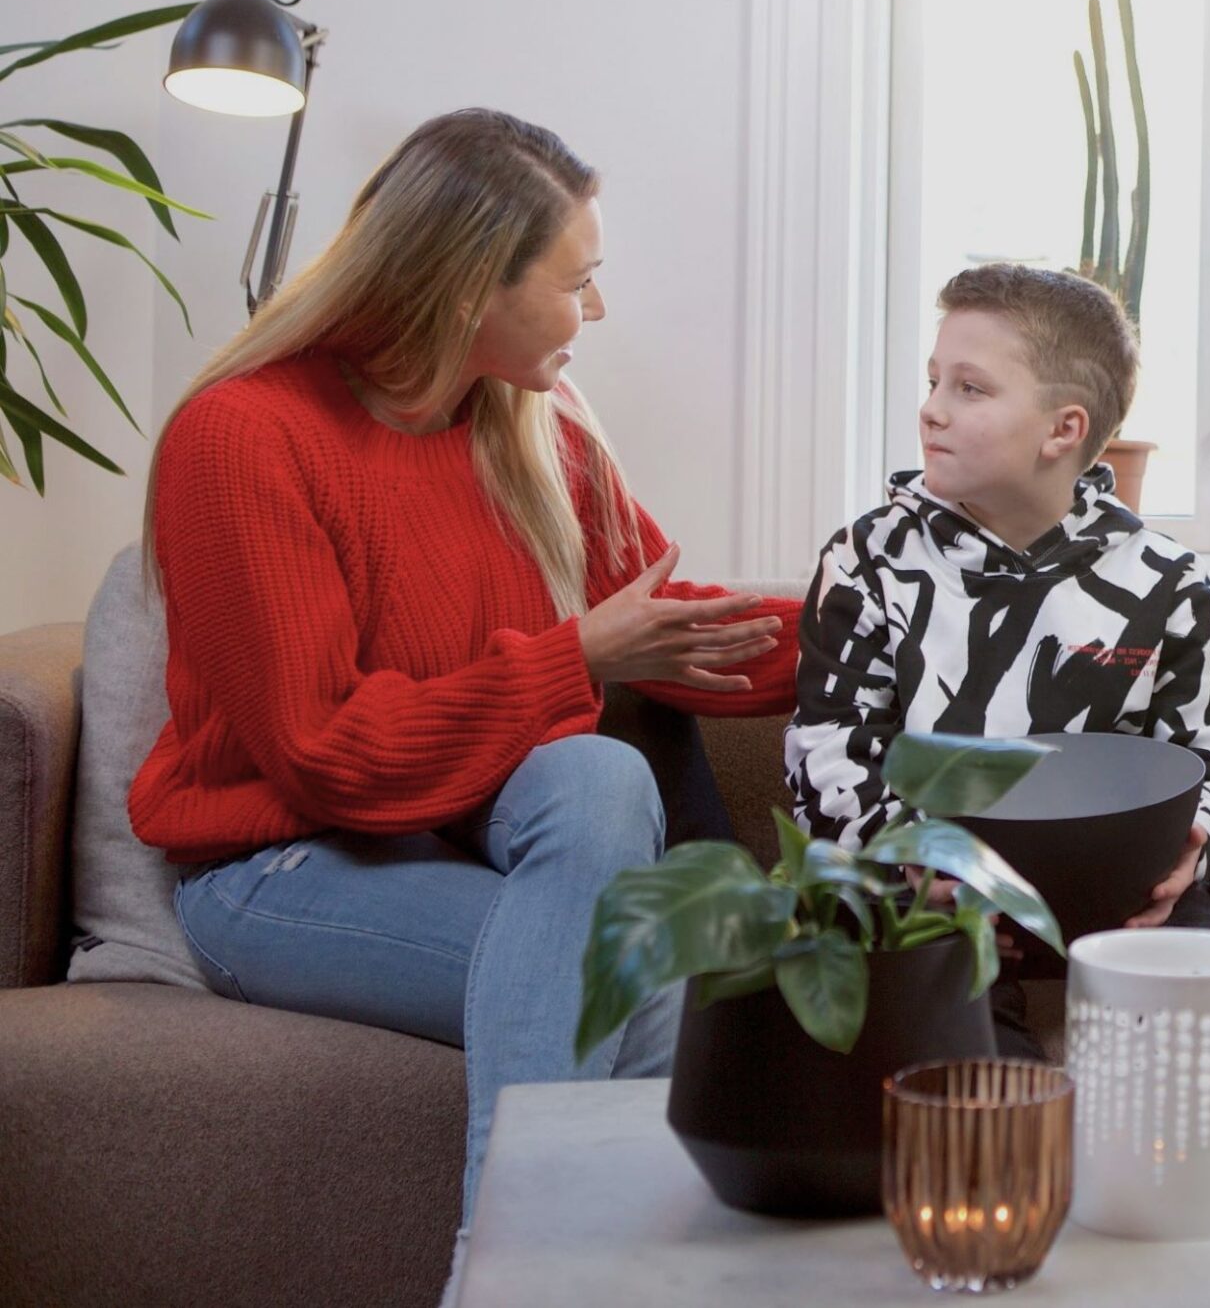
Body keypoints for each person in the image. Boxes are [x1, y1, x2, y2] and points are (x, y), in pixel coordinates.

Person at [132, 109, 800, 1230]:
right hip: (280, 866)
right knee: (671, 992)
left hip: (473, 837)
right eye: (576, 281)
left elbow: (667, 629)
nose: (598, 310)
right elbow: (323, 753)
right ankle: (529, 1266)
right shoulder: (241, 435)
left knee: (600, 778)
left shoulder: (532, 423)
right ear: (466, 289)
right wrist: (572, 659)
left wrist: (871, 617)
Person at [781, 264, 1210, 1054]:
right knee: (957, 1031)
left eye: (970, 388)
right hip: (933, 894)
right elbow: (828, 755)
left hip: (1117, 898)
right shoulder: (868, 560)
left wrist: (1198, 842)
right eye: (935, 381)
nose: (931, 409)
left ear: (1062, 429)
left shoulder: (1165, 582)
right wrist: (917, 872)